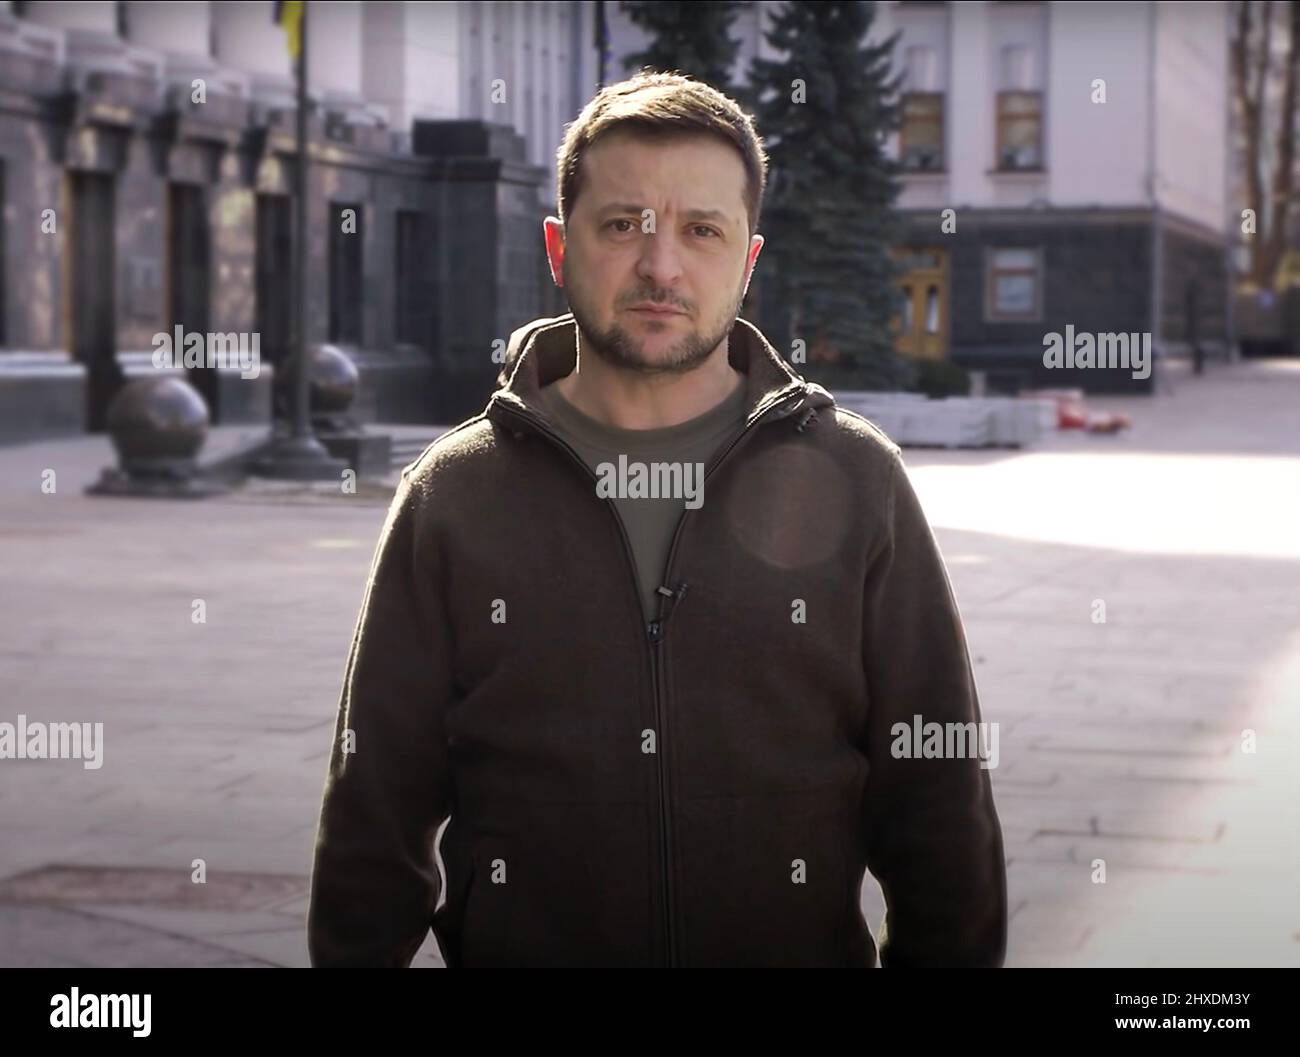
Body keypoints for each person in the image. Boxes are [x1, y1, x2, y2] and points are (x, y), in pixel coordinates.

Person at [307, 72, 1007, 968]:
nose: (660, 266)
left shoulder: (854, 477)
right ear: (559, 249)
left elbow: (940, 810)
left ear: (748, 261)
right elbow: (374, 817)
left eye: (701, 231)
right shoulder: (456, 494)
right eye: (622, 223)